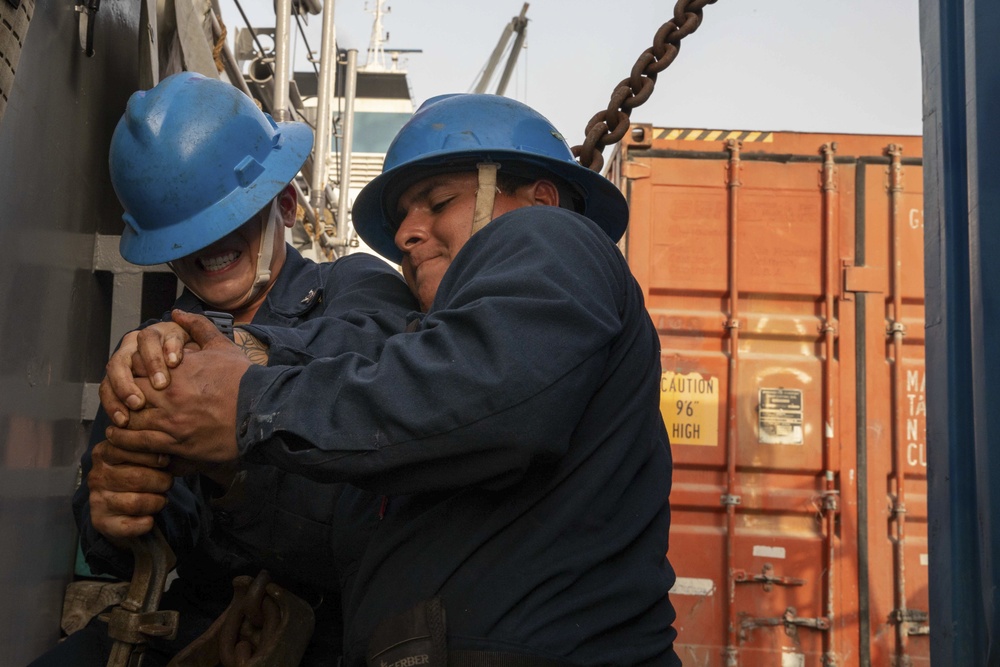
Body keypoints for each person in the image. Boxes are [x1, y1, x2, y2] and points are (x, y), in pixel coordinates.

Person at [103, 93, 680, 666]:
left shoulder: (549, 235)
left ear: (542, 198)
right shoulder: (423, 401)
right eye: (404, 214)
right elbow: (333, 536)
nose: (406, 232)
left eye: (437, 202)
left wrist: (248, 395)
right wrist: (208, 480)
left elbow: (466, 391)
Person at [28, 71, 418, 666]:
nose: (208, 246)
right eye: (187, 232)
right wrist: (119, 513)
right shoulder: (149, 351)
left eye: (227, 217)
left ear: (285, 205)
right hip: (201, 620)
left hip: (338, 630)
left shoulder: (354, 287)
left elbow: (366, 362)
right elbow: (131, 542)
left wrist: (230, 353)